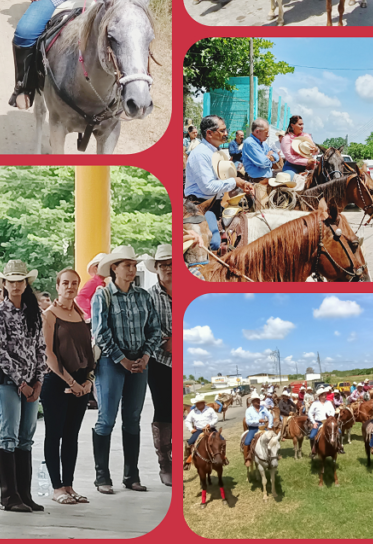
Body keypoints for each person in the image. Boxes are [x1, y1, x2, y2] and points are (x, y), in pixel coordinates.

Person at [91, 246, 162, 495]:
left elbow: (154, 329)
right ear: (114, 268)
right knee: (106, 419)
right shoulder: (102, 296)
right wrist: (122, 359)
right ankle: (102, 477)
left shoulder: (143, 296)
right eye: (127, 265)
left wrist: (145, 356)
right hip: (112, 362)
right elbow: (100, 332)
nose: (132, 270)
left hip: (139, 362)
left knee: (132, 419)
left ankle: (131, 476)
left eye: (133, 265)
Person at [0, 260, 47, 513]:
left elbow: (41, 348)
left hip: (31, 382)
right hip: (7, 382)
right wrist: (22, 382)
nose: (15, 285)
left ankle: (24, 493)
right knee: (9, 435)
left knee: (26, 437)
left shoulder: (34, 313)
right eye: (11, 281)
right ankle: (8, 496)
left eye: (19, 281)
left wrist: (38, 380)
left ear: (26, 284)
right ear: (4, 283)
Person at [40, 268, 94, 505]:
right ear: (57, 286)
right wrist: (71, 382)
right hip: (57, 383)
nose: (70, 287)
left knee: (71, 436)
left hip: (81, 384)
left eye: (74, 283)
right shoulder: (49, 315)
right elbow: (48, 353)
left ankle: (69, 485)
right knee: (55, 435)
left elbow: (89, 350)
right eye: (65, 283)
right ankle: (56, 487)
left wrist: (88, 380)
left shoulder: (81, 314)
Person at [184, 115, 255, 251]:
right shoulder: (200, 154)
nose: (226, 133)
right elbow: (208, 188)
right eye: (222, 131)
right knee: (214, 241)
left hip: (216, 203)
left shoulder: (216, 152)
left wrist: (240, 184)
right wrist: (235, 181)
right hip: (201, 206)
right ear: (209, 133)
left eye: (225, 130)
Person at [145, 245, 171, 487]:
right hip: (160, 360)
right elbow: (150, 328)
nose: (168, 269)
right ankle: (165, 462)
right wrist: (169, 340)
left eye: (171, 263)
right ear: (157, 269)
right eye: (163, 265)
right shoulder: (150, 296)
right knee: (163, 410)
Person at [184, 394, 224, 467]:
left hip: (211, 429)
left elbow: (215, 418)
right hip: (199, 430)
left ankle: (223, 457)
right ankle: (188, 459)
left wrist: (210, 424)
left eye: (199, 403)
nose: (197, 404)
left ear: (203, 403)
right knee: (189, 442)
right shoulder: (193, 412)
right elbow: (187, 421)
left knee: (222, 440)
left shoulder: (210, 409)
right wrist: (191, 429)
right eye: (196, 403)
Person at [242, 118, 280, 182]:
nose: (268, 135)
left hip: (266, 178)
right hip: (257, 181)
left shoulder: (264, 144)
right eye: (266, 132)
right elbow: (263, 163)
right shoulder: (250, 143)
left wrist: (269, 157)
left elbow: (276, 156)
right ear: (257, 131)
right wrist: (270, 160)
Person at [308, 387, 343, 457]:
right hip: (319, 422)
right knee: (312, 436)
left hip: (329, 422)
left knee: (339, 432)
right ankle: (313, 450)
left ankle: (339, 447)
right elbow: (309, 413)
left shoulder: (329, 403)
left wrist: (330, 419)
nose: (325, 395)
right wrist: (314, 422)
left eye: (325, 394)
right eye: (323, 394)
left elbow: (333, 411)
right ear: (320, 396)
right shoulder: (315, 403)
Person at [242, 392, 272, 467]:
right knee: (247, 442)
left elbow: (270, 416)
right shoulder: (249, 410)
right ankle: (247, 458)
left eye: (258, 400)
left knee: (272, 438)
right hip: (253, 428)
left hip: (263, 427)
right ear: (252, 402)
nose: (258, 401)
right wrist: (258, 421)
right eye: (256, 400)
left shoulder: (263, 408)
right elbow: (248, 421)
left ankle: (273, 455)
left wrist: (270, 425)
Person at [76, 252, 107, 320]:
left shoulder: (102, 283)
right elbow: (81, 297)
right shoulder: (93, 282)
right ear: (96, 268)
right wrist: (90, 313)